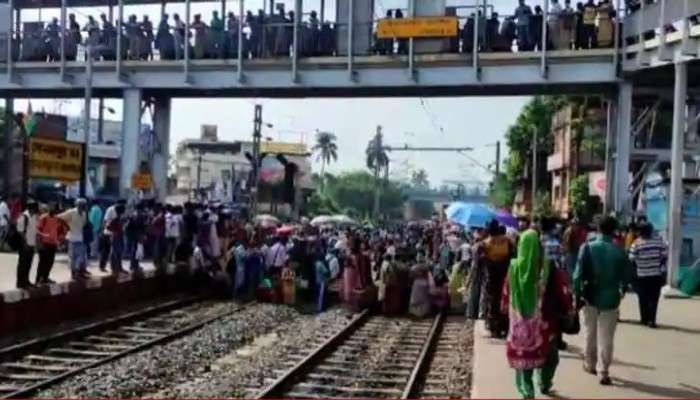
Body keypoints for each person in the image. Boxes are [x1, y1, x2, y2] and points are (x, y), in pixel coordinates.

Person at [501, 229, 573, 398]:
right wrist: (568, 308)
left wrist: (506, 309)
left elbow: (506, 292)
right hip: (546, 322)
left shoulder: (514, 267)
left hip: (520, 323)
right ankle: (544, 383)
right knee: (551, 357)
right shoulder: (548, 267)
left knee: (524, 358)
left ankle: (527, 390)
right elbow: (562, 289)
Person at [574, 216, 630, 385]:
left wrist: (577, 296)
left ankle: (589, 363)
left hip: (590, 295)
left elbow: (577, 275)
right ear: (613, 231)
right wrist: (622, 291)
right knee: (607, 337)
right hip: (611, 298)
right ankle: (603, 370)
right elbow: (627, 277)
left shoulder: (587, 248)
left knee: (590, 332)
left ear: (597, 228)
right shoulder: (619, 251)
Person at [629, 222, 667, 328]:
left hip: (642, 275)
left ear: (640, 232)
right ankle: (652, 320)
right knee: (654, 299)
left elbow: (631, 259)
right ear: (651, 231)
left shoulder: (636, 243)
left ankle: (644, 319)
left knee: (643, 298)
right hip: (656, 275)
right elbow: (664, 256)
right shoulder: (659, 242)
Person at [481, 221, 514, 338]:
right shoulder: (508, 241)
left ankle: (494, 328)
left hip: (491, 278)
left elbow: (481, 260)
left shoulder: (485, 243)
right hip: (505, 277)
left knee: (493, 302)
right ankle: (505, 326)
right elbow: (513, 256)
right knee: (505, 301)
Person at [58, 199, 89, 280]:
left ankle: (79, 272)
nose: (83, 207)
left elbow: (84, 224)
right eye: (82, 205)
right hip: (72, 237)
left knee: (81, 256)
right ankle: (74, 273)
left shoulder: (84, 214)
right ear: (78, 205)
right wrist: (67, 226)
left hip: (80, 237)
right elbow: (59, 217)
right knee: (73, 257)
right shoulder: (71, 212)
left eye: (84, 206)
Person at [36, 205, 63, 285]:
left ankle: (45, 277)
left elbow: (57, 230)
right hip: (44, 243)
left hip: (52, 243)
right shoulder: (44, 218)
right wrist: (39, 242)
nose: (56, 212)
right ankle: (39, 278)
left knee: (50, 261)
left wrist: (58, 240)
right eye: (56, 211)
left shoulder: (56, 219)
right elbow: (38, 230)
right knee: (43, 262)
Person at [16, 201, 39, 289]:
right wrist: (25, 243)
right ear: (31, 208)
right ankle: (20, 282)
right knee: (22, 264)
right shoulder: (24, 216)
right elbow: (20, 231)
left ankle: (26, 280)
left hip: (31, 244)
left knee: (28, 264)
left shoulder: (34, 217)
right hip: (24, 244)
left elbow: (34, 230)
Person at [409, 252, 431, 317]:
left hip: (417, 283)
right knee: (424, 299)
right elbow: (427, 276)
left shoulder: (413, 267)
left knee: (416, 298)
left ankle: (416, 313)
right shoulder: (425, 267)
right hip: (424, 282)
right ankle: (424, 313)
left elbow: (411, 276)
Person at [107, 203, 126, 274]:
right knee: (114, 252)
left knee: (119, 252)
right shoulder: (115, 219)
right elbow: (108, 226)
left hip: (119, 237)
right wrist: (114, 232)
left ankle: (118, 267)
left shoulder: (120, 219)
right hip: (115, 237)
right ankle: (114, 267)